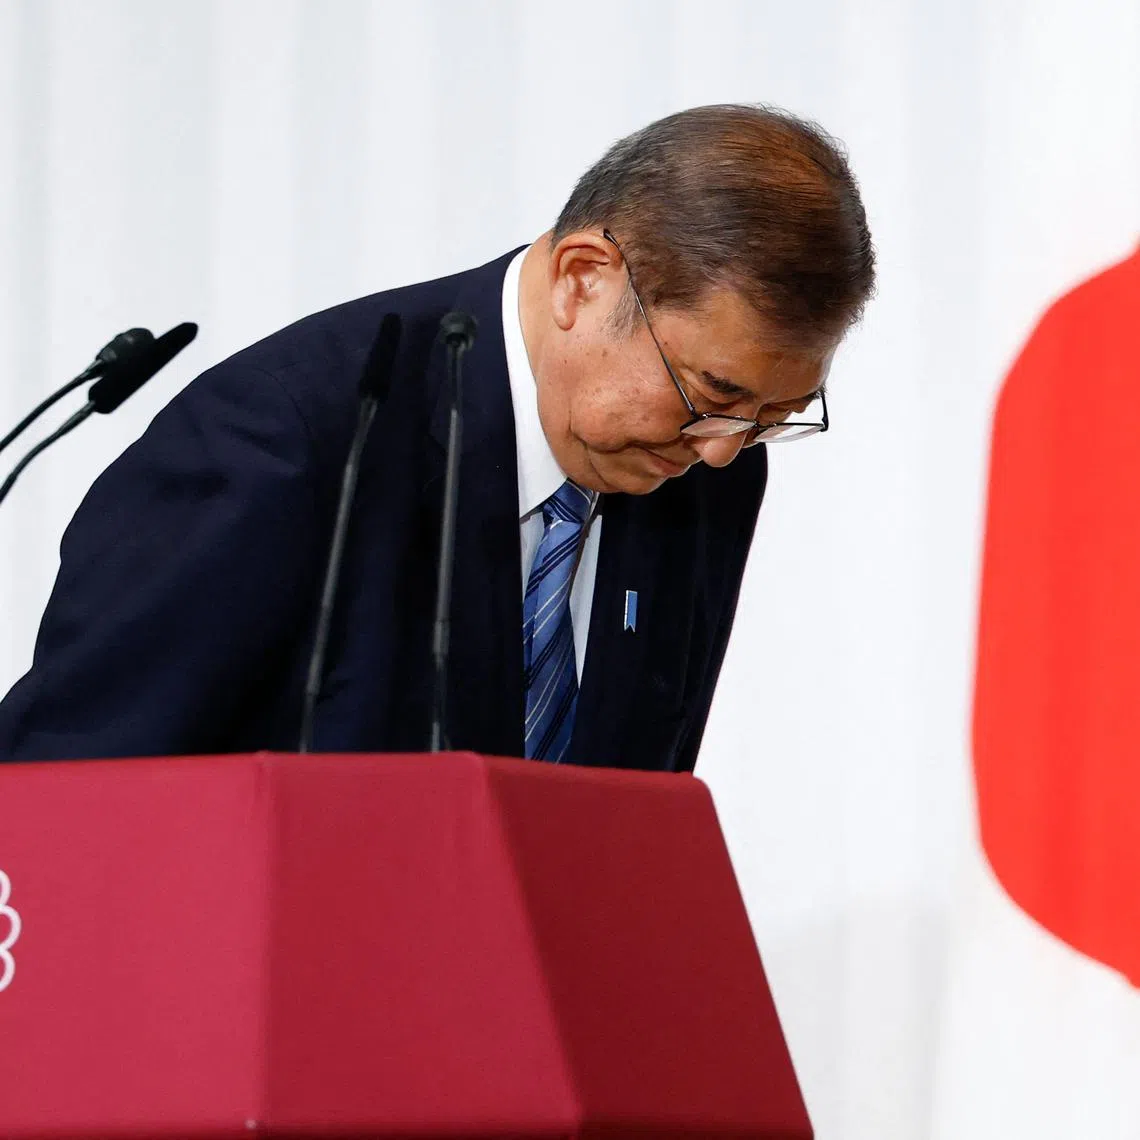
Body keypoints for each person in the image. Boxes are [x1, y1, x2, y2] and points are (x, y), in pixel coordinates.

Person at [0, 103, 875, 768]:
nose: (721, 447)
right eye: (713, 392)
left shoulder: (706, 462)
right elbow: (70, 798)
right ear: (583, 280)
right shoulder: (286, 436)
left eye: (773, 419)